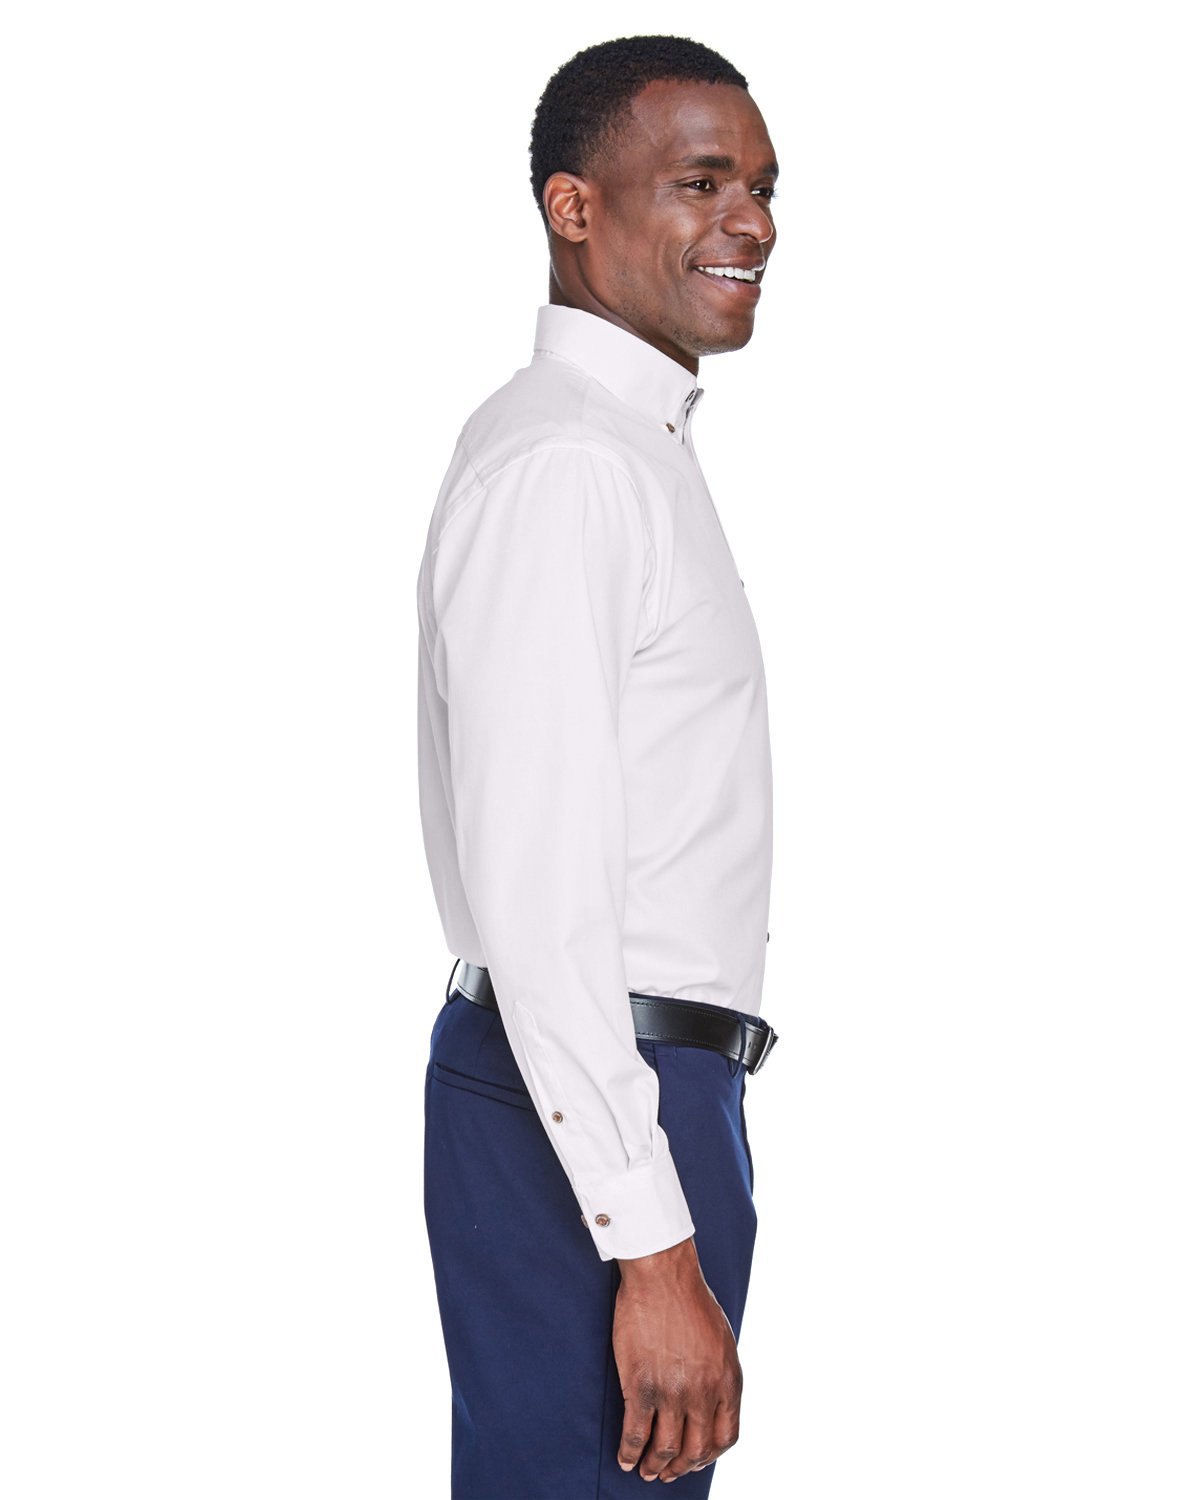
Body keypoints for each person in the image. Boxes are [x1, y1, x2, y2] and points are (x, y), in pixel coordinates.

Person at [415, 34, 781, 1496]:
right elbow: (543, 886)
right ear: (574, 208)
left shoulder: (625, 448)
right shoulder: (571, 464)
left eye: (762, 188)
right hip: (591, 1099)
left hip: (626, 1094)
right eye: (702, 182)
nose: (750, 222)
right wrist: (651, 1243)